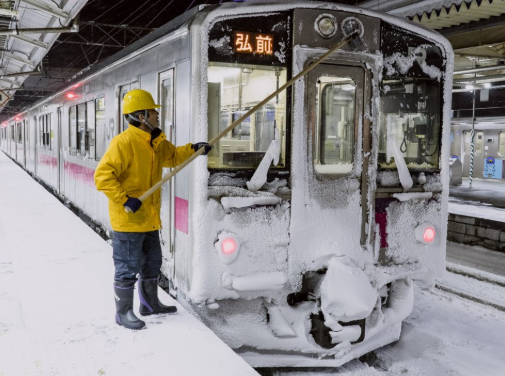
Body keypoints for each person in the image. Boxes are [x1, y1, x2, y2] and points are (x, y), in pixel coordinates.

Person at [94, 89, 212, 330]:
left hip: (149, 217)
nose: (157, 115)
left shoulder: (156, 143)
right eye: (153, 111)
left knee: (152, 264)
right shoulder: (123, 143)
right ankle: (123, 313)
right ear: (140, 116)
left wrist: (194, 149)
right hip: (128, 220)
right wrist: (125, 199)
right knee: (128, 267)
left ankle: (149, 305)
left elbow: (173, 156)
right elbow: (103, 177)